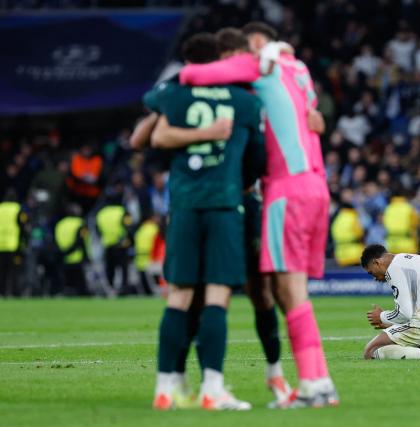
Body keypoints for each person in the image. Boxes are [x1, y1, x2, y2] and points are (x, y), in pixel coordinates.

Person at [180, 23, 338, 408]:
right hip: (317, 185)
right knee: (290, 292)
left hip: (287, 190)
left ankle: (313, 385)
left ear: (256, 46)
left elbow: (194, 74)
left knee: (291, 292)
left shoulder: (262, 67)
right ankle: (320, 382)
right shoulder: (299, 70)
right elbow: (311, 114)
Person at [144, 31, 265, 411]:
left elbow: (154, 127)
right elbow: (257, 162)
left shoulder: (174, 93)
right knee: (217, 296)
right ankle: (212, 388)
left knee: (178, 296)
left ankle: (165, 389)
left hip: (183, 205)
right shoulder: (244, 102)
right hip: (224, 205)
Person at [54, 204, 90, 296]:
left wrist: (64, 253)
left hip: (63, 257)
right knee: (81, 288)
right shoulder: (81, 223)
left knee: (68, 286)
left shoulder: (60, 224)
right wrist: (87, 256)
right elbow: (81, 241)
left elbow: (56, 240)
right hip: (78, 257)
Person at [0, 191, 27, 296]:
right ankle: (14, 292)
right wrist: (24, 241)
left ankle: (1, 292)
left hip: (0, 245)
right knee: (14, 270)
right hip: (13, 244)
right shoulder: (18, 209)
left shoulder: (0, 208)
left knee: (2, 271)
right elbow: (23, 225)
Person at [331, 189, 365, 266]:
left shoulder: (337, 219)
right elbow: (360, 234)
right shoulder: (353, 217)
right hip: (354, 254)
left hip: (340, 255)